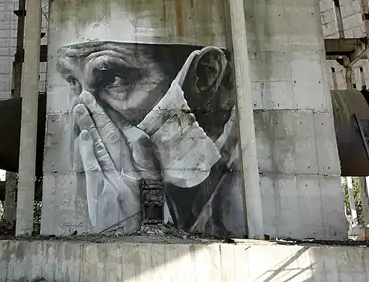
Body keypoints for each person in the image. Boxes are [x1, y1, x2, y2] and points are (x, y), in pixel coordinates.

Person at [54, 41, 245, 236]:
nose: (82, 110)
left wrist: (128, 228)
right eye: (73, 82)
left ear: (205, 76)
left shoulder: (247, 188)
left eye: (112, 79)